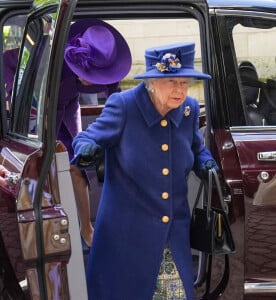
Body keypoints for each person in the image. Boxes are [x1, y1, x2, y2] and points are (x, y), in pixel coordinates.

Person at [71, 42, 219, 299]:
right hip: (127, 234)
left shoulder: (189, 109)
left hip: (172, 230)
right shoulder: (124, 106)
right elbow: (85, 138)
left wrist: (205, 162)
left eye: (185, 83)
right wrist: (88, 149)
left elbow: (195, 148)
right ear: (152, 82)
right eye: (172, 82)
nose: (180, 90)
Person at [57, 19, 132, 247]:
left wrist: (116, 135)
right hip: (52, 109)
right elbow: (48, 103)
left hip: (70, 107)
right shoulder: (59, 65)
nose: (90, 82)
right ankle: (60, 226)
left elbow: (116, 104)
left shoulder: (111, 67)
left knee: (76, 166)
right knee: (55, 165)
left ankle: (86, 228)